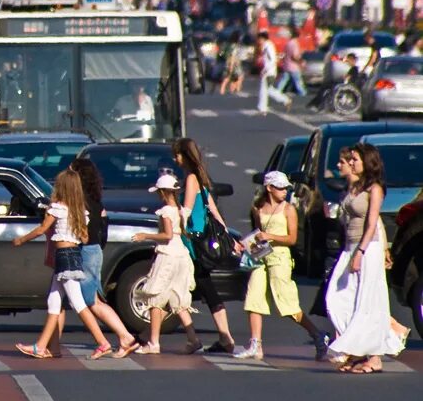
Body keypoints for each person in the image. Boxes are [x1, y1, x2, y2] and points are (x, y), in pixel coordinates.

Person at [13, 170, 116, 360]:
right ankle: (45, 347)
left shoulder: (58, 208)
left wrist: (21, 240)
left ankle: (103, 342)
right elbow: (84, 237)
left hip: (64, 257)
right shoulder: (79, 211)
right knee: (53, 301)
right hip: (73, 255)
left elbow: (43, 229)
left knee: (78, 303)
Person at [325, 143, 405, 373]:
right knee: (337, 297)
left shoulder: (374, 188)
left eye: (355, 160)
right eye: (349, 160)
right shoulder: (355, 188)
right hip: (349, 246)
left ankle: (374, 357)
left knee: (369, 300)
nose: (350, 163)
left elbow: (372, 223)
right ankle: (356, 347)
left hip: (367, 248)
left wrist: (361, 253)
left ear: (367, 163)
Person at [234, 171, 329, 360]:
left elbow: (292, 238)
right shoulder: (258, 208)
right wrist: (244, 244)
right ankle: (255, 344)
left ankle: (317, 335)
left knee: (286, 304)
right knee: (253, 298)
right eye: (280, 187)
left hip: (280, 258)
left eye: (286, 188)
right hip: (261, 258)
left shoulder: (288, 209)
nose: (284, 191)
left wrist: (270, 236)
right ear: (269, 188)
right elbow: (257, 233)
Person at [173, 137, 237, 353]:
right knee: (206, 290)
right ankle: (224, 337)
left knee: (176, 285)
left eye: (177, 154)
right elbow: (214, 211)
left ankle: (152, 337)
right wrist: (228, 237)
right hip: (198, 242)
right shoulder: (201, 179)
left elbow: (187, 211)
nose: (175, 159)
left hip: (192, 242)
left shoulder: (191, 179)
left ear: (185, 156)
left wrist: (171, 221)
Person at [69, 158, 138, 358]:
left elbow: (82, 231)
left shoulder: (80, 202)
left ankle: (125, 337)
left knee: (92, 301)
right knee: (90, 299)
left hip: (86, 252)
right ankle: (124, 337)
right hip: (95, 250)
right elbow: (104, 230)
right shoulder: (96, 201)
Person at [131, 174, 200, 355]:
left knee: (156, 297)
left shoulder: (166, 211)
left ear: (162, 192)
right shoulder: (180, 210)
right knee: (178, 298)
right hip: (181, 255)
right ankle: (193, 338)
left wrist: (145, 236)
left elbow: (167, 235)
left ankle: (154, 342)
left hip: (168, 254)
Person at [257, 31, 291, 115]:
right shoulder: (267, 46)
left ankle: (285, 100)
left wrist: (265, 69)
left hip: (269, 72)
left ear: (262, 38)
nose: (258, 41)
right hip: (268, 71)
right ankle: (262, 109)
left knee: (268, 90)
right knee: (263, 90)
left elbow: (272, 59)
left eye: (259, 39)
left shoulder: (268, 46)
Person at [275, 28, 307, 97]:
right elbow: (295, 56)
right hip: (294, 66)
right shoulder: (295, 44)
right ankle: (302, 93)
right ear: (298, 36)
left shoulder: (288, 43)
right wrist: (301, 61)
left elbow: (285, 54)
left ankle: (277, 91)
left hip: (287, 65)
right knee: (298, 81)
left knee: (284, 79)